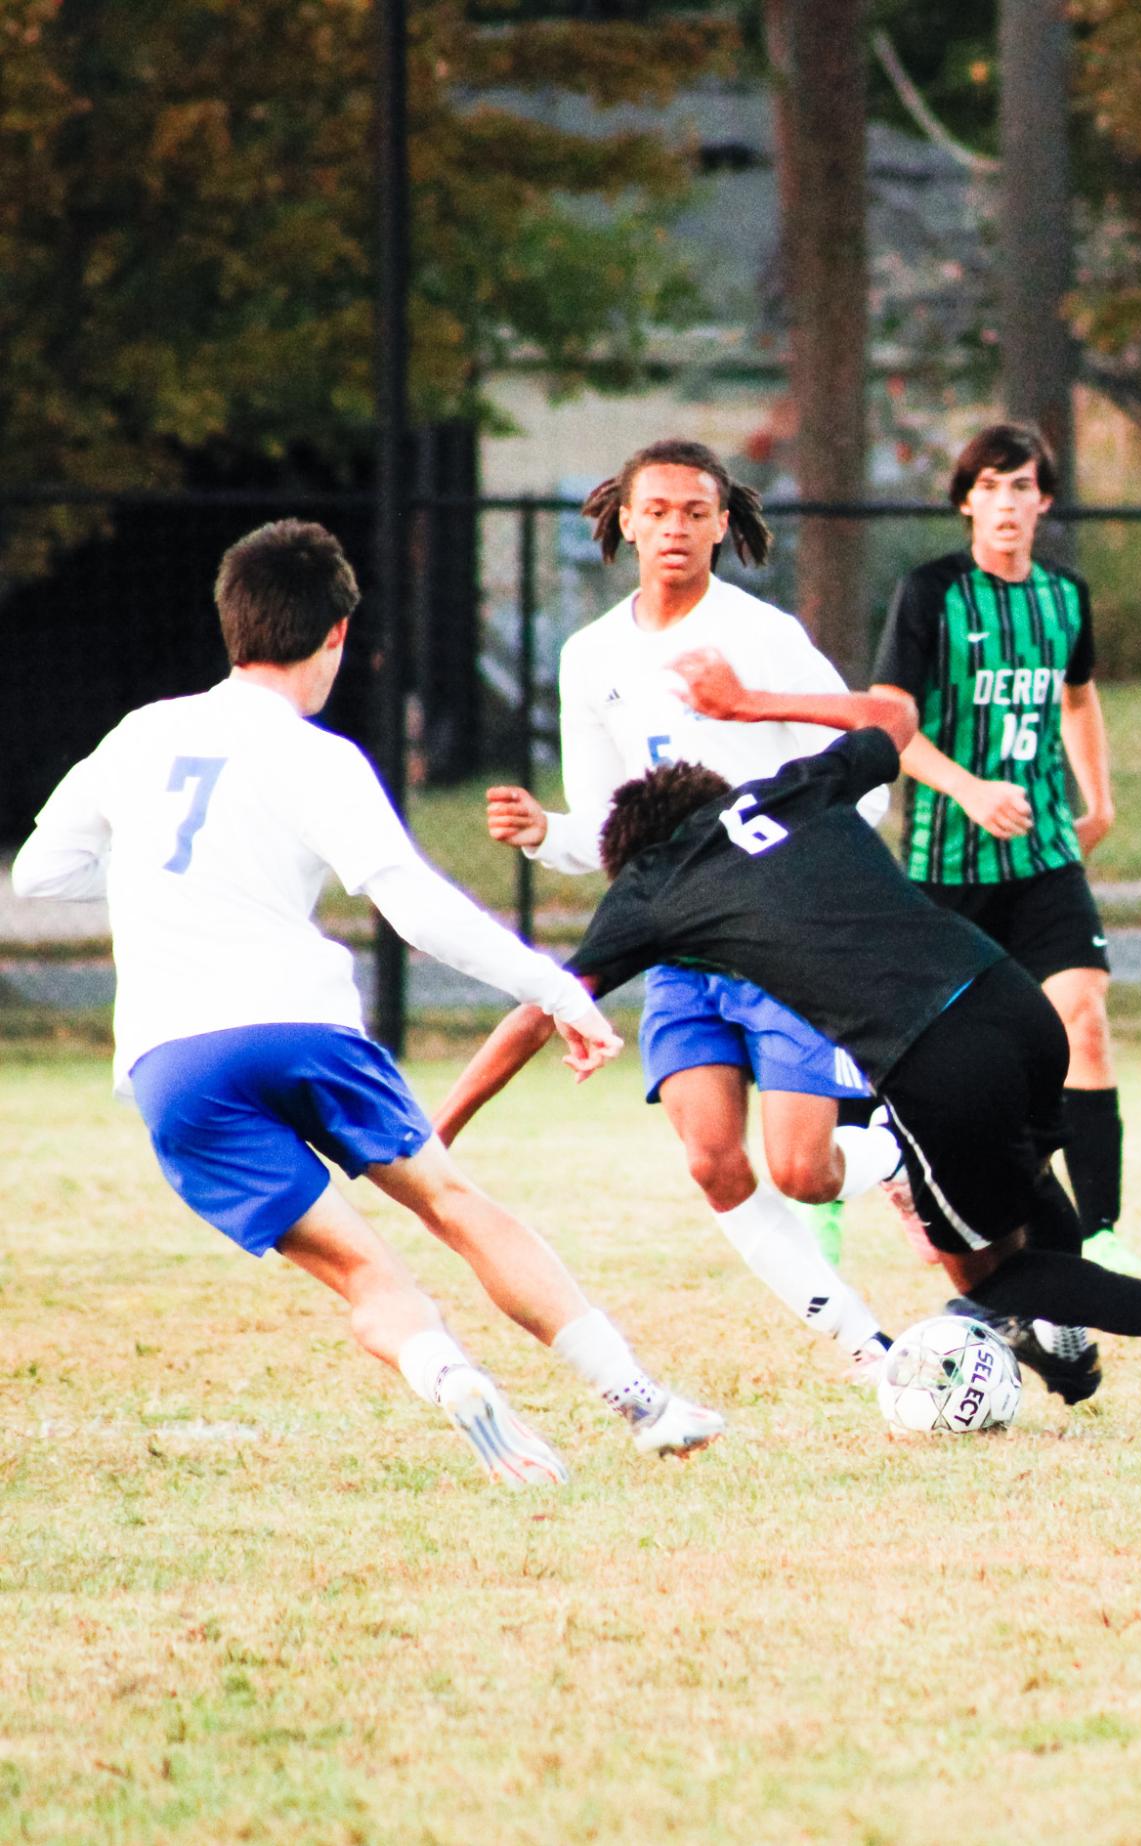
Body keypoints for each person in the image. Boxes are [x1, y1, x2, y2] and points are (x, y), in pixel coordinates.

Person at [434, 657, 1141, 1408]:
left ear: (627, 855)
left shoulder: (649, 887)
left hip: (931, 1060)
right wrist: (754, 700)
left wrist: (440, 1133)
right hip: (1014, 1004)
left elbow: (538, 1003)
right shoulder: (789, 790)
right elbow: (895, 715)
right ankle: (1070, 1351)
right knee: (1020, 1190)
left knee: (995, 1277)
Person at [10, 520, 721, 1484]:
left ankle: (447, 1375)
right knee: (452, 1203)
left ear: (232, 624)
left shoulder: (143, 732)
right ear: (336, 636)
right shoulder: (320, 757)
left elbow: (43, 874)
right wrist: (556, 987)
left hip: (172, 1060)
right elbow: (418, 910)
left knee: (361, 1271)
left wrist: (171, 886)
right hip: (301, 1026)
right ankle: (642, 1401)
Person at [484, 440, 904, 1379]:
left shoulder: (762, 637)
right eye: (658, 510)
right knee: (713, 1161)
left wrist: (798, 858)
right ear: (624, 519)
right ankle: (866, 1348)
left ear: (723, 525)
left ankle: (900, 1155)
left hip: (783, 937)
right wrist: (543, 830)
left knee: (804, 1170)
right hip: (682, 939)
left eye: (694, 512)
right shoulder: (589, 655)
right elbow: (607, 824)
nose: (674, 527)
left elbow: (865, 761)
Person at [870, 424, 1141, 1273]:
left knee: (1083, 1024)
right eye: (990, 487)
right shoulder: (931, 594)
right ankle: (869, 1194)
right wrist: (969, 790)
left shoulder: (1063, 596)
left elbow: (1079, 699)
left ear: (1044, 502)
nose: (1007, 503)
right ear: (965, 502)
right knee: (937, 1062)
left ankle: (1101, 1234)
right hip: (945, 867)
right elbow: (888, 727)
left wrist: (1096, 797)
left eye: (1022, 487)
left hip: (1043, 865)